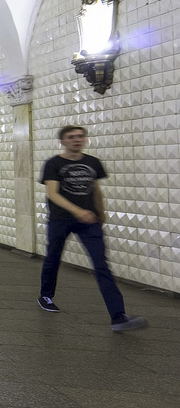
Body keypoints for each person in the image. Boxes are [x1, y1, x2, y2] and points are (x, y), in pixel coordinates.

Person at [38, 125, 146, 332]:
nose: (77, 140)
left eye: (80, 136)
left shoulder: (92, 162)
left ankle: (118, 316)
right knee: (53, 257)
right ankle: (45, 296)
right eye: (71, 137)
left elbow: (96, 189)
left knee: (101, 265)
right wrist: (77, 211)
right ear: (63, 141)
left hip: (89, 221)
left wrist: (101, 212)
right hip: (61, 220)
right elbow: (53, 193)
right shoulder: (53, 164)